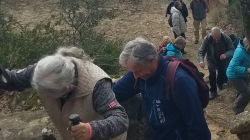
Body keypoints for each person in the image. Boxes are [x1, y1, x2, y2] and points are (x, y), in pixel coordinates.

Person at [0, 47, 128, 140]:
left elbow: (120, 119)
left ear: (68, 87)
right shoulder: (44, 71)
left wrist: (91, 129)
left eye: (51, 93)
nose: (46, 96)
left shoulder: (96, 84)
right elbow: (11, 80)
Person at [113, 37, 211, 140]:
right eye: (133, 72)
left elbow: (197, 126)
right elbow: (115, 92)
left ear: (152, 60)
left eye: (138, 70)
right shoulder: (141, 74)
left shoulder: (179, 80)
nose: (135, 76)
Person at [198, 27, 234, 100]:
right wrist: (201, 60)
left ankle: (220, 83)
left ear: (220, 34)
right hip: (211, 59)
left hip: (223, 59)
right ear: (211, 35)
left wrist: (225, 55)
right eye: (215, 38)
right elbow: (201, 51)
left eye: (218, 37)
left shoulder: (226, 38)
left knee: (222, 71)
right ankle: (213, 91)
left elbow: (232, 50)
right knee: (212, 72)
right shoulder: (207, 39)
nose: (217, 39)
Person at [226, 37, 250, 114]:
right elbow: (233, 67)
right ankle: (236, 109)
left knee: (241, 93)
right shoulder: (240, 52)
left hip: (243, 75)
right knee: (247, 94)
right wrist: (246, 70)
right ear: (248, 45)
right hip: (234, 75)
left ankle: (239, 112)